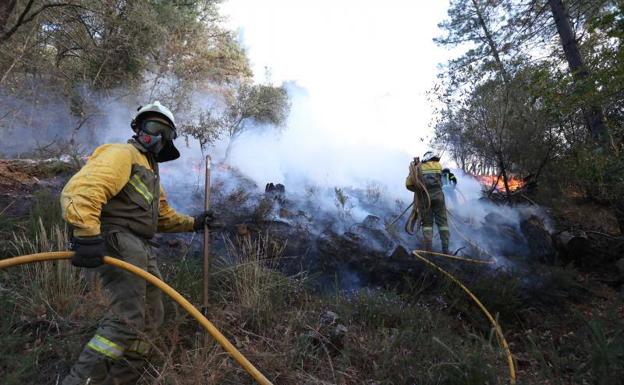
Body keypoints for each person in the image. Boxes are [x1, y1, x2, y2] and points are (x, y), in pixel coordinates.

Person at [60, 101, 214, 385]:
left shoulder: (149, 171)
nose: (156, 135)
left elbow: (163, 217)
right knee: (126, 318)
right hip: (119, 239)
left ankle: (120, 379)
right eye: (151, 127)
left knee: (153, 316)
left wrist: (194, 223)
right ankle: (80, 380)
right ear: (137, 128)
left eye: (163, 131)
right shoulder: (122, 154)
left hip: (140, 246)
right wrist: (86, 234)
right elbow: (82, 191)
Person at [405, 151, 450, 253]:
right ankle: (446, 250)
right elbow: (442, 182)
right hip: (439, 197)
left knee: (427, 224)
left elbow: (408, 184)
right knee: (443, 223)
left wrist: (418, 189)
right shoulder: (439, 166)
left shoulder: (418, 168)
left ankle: (429, 251)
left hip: (424, 198)